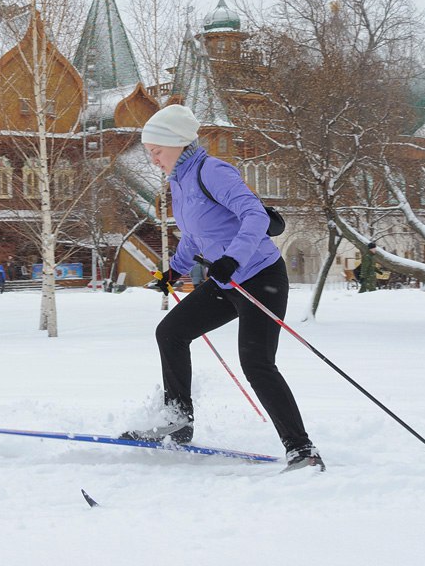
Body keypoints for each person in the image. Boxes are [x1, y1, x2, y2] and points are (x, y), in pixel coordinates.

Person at [122, 104, 324, 472]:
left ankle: (302, 450)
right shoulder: (178, 182)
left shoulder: (213, 171)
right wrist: (173, 272)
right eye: (149, 152)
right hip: (224, 282)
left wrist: (233, 258)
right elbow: (195, 235)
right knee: (171, 332)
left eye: (156, 151)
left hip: (260, 278)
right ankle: (179, 421)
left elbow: (255, 215)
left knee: (257, 364)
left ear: (177, 144)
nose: (153, 160)